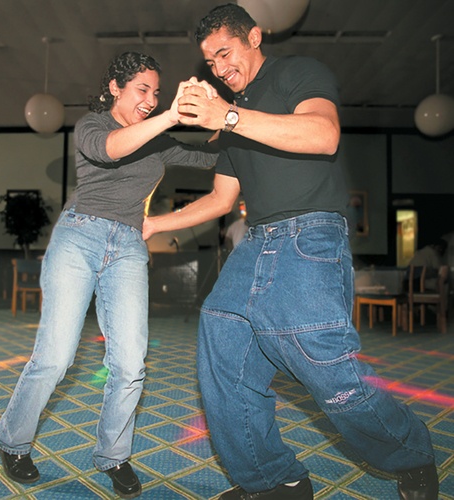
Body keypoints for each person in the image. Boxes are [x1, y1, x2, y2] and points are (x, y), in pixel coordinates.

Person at [142, 5, 438, 500]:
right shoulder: (233, 120)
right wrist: (151, 224)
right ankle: (274, 480)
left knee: (326, 369)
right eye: (209, 62)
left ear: (254, 37)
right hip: (255, 243)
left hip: (310, 236)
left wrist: (227, 115)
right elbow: (220, 199)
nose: (218, 68)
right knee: (221, 339)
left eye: (224, 52)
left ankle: (412, 453)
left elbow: (324, 136)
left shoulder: (298, 73)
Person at [0, 51, 218, 499]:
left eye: (156, 93)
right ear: (115, 88)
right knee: (55, 357)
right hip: (79, 238)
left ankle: (114, 455)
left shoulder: (157, 139)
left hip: (129, 247)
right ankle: (11, 440)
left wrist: (220, 114)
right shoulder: (91, 126)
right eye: (142, 90)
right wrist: (172, 115)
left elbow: (209, 158)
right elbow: (110, 150)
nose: (151, 100)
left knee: (131, 362)